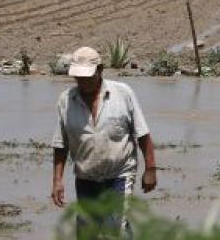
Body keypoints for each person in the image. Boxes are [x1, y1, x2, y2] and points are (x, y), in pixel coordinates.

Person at [51, 46, 157, 235]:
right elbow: (61, 145)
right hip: (86, 177)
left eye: (87, 77)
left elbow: (143, 135)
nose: (82, 82)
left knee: (114, 226)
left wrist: (150, 169)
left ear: (100, 70)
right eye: (78, 77)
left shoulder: (123, 93)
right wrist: (57, 181)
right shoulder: (66, 101)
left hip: (119, 174)